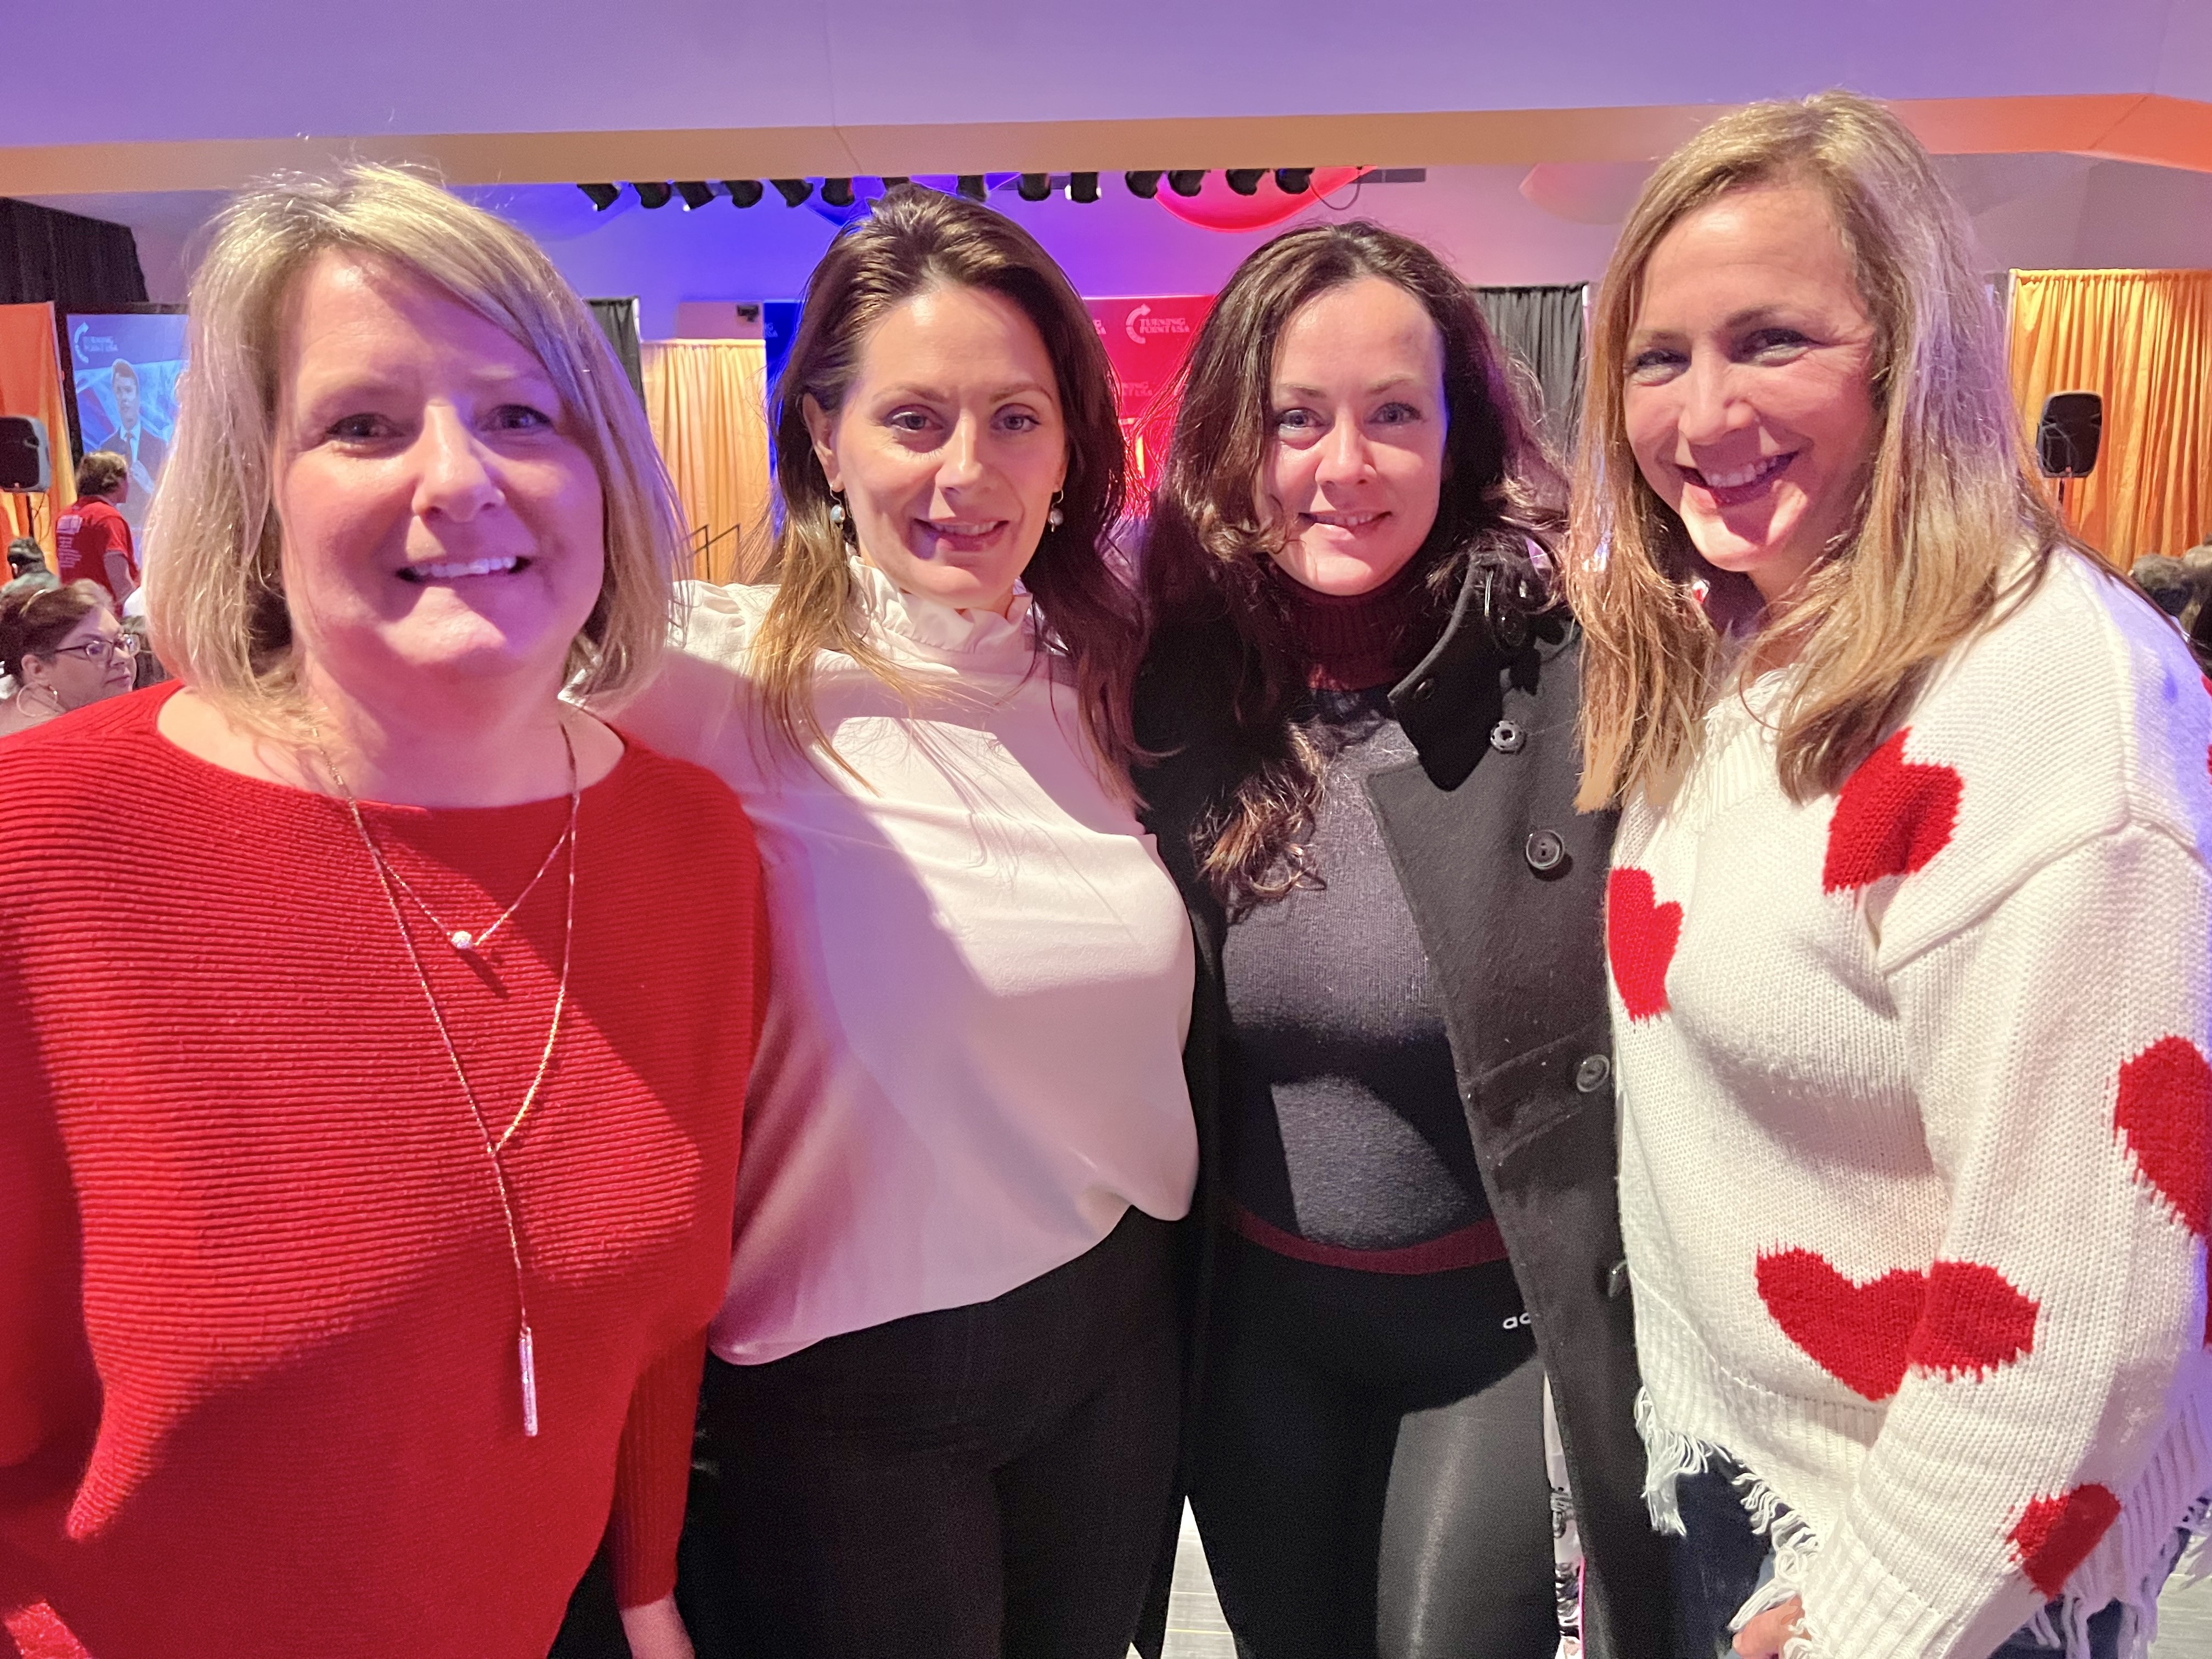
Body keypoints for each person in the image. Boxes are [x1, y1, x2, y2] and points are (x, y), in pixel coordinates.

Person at [0, 165, 766, 1659]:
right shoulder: (45, 849)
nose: (459, 479)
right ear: (255, 489)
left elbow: (648, 1324)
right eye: (363, 424)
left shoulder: (689, 848)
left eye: (521, 415)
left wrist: (647, 1588)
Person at [1564, 91, 2212, 1659]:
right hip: (1762, 1477)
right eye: (1659, 359)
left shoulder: (2043, 689)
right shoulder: (1746, 635)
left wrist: (1881, 1616)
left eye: (1771, 340)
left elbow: (2090, 1294)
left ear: (1910, 353)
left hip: (1932, 1561)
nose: (1704, 414)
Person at [612, 184, 1195, 1659]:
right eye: (914, 420)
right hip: (841, 1389)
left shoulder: (1108, 672)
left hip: (1109, 1329)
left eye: (1016, 420)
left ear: (1071, 446)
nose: (967, 473)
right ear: (825, 437)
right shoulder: (703, 677)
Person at [1131, 222, 1667, 1659]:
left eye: (1393, 415)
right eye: (1296, 419)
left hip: (1486, 1342)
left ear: (1457, 435)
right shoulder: (1167, 693)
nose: (1345, 466)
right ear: (1234, 441)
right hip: (1256, 1340)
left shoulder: (1577, 675)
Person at [0, 580, 134, 740]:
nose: (123, 657)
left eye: (120, 642)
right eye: (95, 649)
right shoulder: (55, 743)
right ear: (38, 669)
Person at [53, 450, 138, 606]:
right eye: (127, 477)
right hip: (106, 612)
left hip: (76, 608)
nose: (129, 482)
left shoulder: (65, 515)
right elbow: (121, 583)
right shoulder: (108, 518)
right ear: (114, 481)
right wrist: (136, 613)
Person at [97, 357, 170, 526]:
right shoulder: (106, 449)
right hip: (118, 530)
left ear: (138, 395)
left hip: (154, 528)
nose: (124, 398)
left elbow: (173, 496)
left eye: (128, 390)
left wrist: (148, 484)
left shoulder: (158, 446)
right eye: (119, 391)